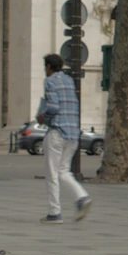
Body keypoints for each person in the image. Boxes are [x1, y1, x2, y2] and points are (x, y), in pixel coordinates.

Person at [35, 53, 91, 224]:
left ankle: (54, 212)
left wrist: (42, 116)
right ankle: (82, 197)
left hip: (57, 132)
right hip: (73, 133)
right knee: (64, 171)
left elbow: (53, 106)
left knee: (52, 173)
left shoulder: (50, 81)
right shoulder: (69, 81)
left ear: (49, 67)